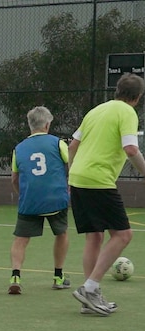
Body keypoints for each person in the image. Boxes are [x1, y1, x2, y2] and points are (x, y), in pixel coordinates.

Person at [68, 72, 145, 316]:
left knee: (94, 237)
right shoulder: (127, 112)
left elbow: (72, 146)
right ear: (138, 97)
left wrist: (71, 175)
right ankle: (90, 288)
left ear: (117, 90)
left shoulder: (96, 110)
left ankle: (89, 298)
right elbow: (131, 148)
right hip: (98, 180)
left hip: (79, 177)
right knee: (123, 235)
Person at [7, 106, 70, 295]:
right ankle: (58, 276)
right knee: (62, 234)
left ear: (30, 125)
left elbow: (14, 179)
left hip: (30, 200)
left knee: (21, 239)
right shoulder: (58, 143)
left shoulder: (19, 149)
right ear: (47, 124)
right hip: (56, 198)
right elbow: (70, 166)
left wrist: (22, 194)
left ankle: (15, 276)